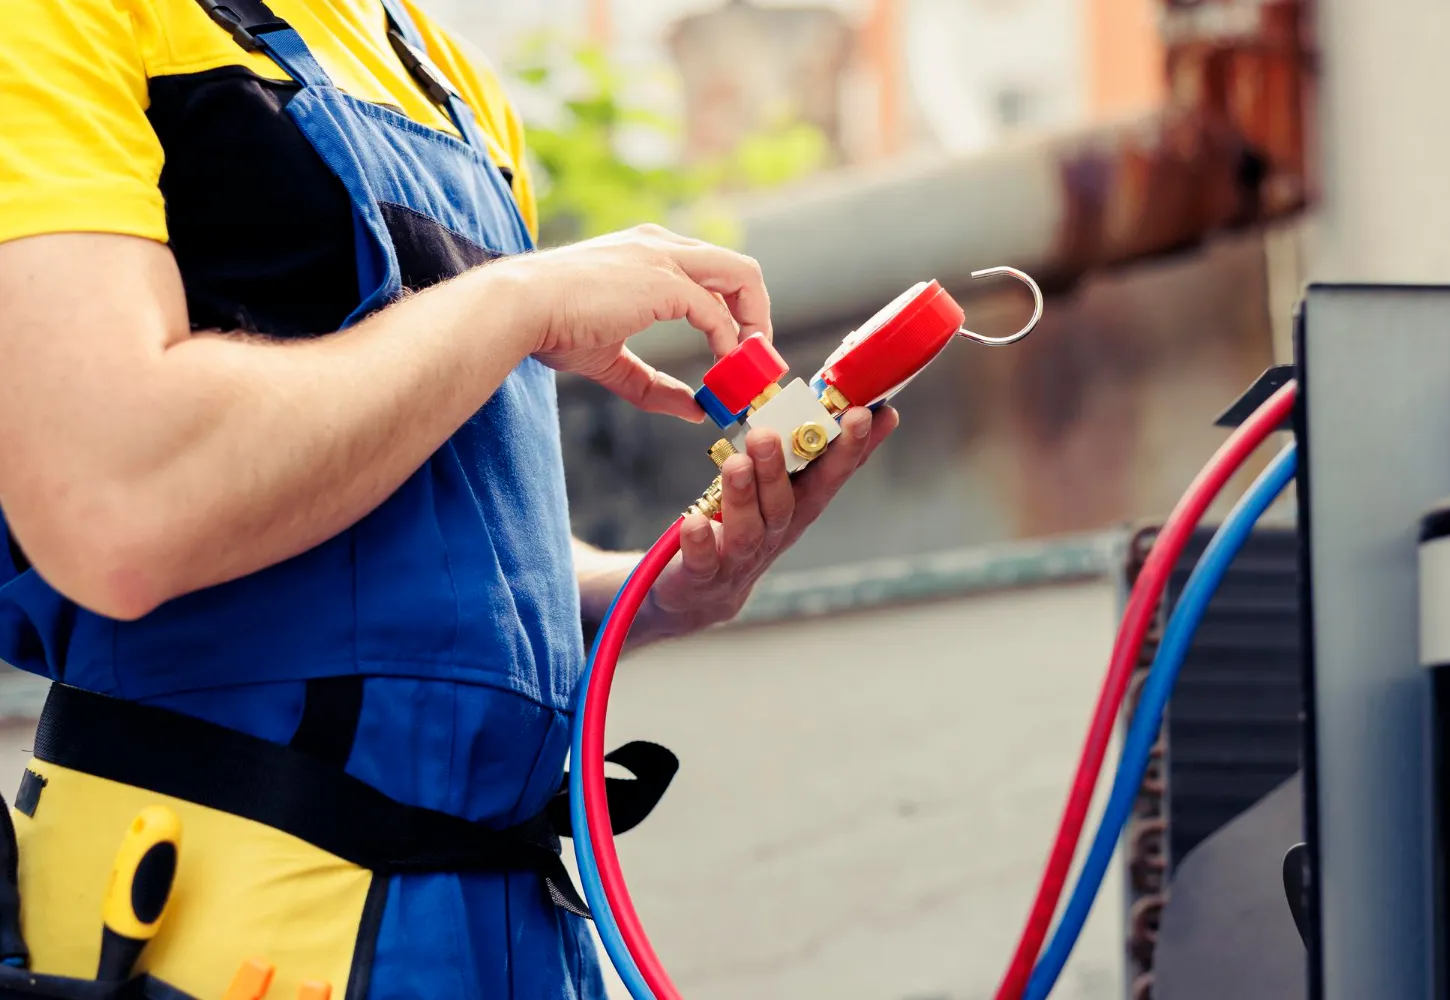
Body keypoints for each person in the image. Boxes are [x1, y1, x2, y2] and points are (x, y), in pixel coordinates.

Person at [0, 0, 897, 997]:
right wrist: (516, 300)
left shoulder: (443, 75)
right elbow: (112, 504)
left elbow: (434, 553)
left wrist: (662, 584)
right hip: (205, 920)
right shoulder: (59, 20)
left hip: (504, 933)